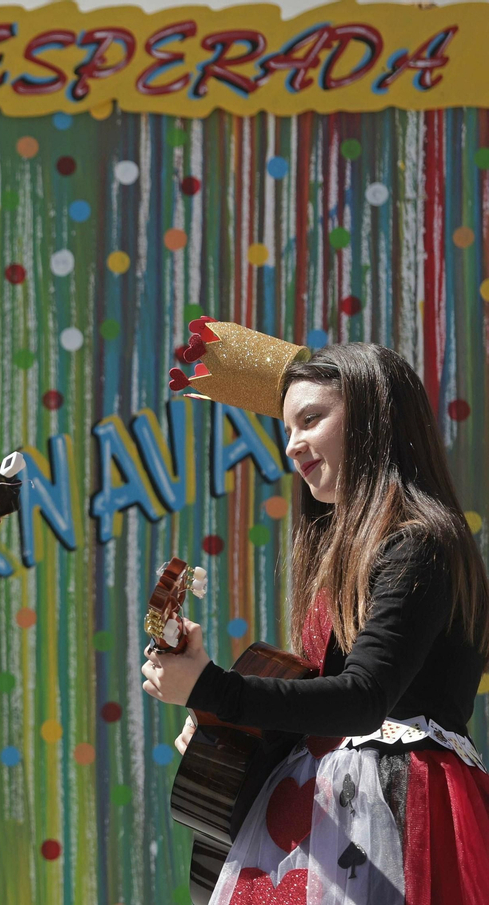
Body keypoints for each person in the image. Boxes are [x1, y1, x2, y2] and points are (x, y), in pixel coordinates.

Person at [146, 327, 489, 904]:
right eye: (286, 429)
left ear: (374, 421)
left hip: (399, 804)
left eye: (310, 421)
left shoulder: (420, 544)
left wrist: (216, 689)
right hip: (327, 811)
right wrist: (224, 725)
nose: (291, 446)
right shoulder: (343, 558)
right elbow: (320, 701)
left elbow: (363, 698)